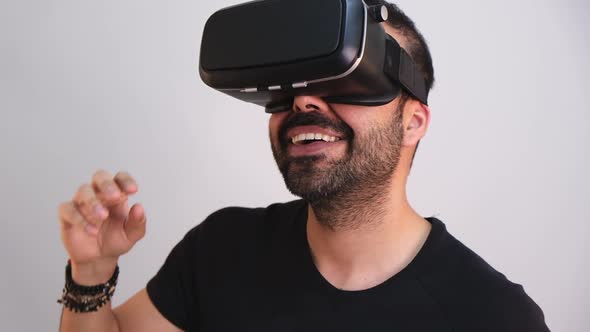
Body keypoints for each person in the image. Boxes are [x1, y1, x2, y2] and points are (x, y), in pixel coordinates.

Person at [57, 2, 550, 331]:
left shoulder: (494, 316)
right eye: (288, 88)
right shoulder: (222, 249)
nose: (305, 102)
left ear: (413, 122)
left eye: (349, 79)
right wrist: (91, 272)